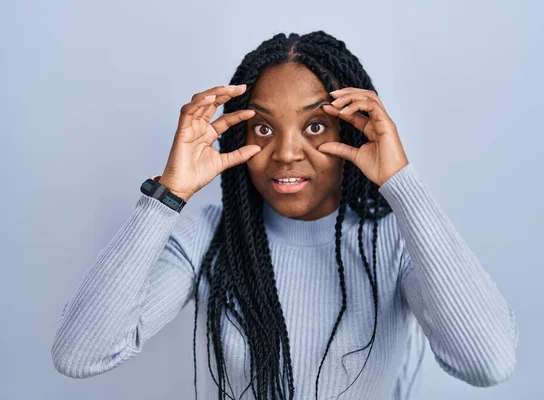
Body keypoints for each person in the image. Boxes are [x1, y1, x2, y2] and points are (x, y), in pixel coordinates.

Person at [51, 31, 519, 400]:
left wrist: (400, 183)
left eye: (315, 126)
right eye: (263, 127)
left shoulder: (395, 240)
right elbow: (81, 355)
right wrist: (167, 194)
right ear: (239, 138)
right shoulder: (207, 235)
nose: (287, 152)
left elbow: (487, 363)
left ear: (353, 133)